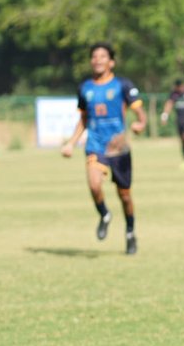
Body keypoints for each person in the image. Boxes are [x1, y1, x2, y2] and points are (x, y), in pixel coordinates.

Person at [62, 42, 146, 255]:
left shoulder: (122, 85)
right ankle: (104, 214)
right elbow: (84, 119)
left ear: (111, 62)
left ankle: (130, 232)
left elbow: (140, 113)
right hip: (95, 145)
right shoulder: (85, 88)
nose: (97, 60)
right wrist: (71, 142)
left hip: (118, 147)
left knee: (125, 196)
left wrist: (140, 124)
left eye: (102, 56)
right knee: (94, 184)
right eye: (94, 56)